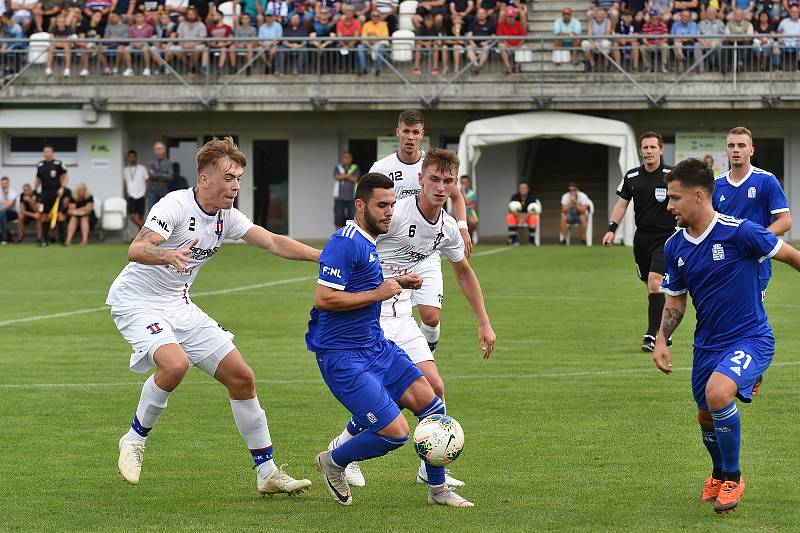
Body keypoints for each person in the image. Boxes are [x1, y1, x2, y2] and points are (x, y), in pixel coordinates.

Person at [108, 137, 317, 495]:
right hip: (137, 301)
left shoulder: (227, 218)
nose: (236, 185)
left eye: (239, 177)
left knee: (242, 378)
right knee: (174, 365)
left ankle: (266, 473)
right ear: (205, 179)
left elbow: (271, 241)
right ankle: (133, 439)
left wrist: (323, 257)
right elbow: (137, 248)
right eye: (229, 177)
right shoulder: (174, 205)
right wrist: (167, 255)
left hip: (179, 304)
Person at [308, 172, 489, 508]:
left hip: (375, 345)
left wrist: (400, 281)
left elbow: (363, 287)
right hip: (342, 355)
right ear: (360, 206)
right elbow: (324, 300)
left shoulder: (369, 242)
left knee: (431, 401)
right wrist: (380, 291)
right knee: (396, 433)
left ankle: (437, 491)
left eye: (392, 204)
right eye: (381, 205)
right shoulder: (346, 241)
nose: (389, 211)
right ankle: (334, 461)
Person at [653, 157, 800, 514]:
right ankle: (718, 472)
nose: (669, 205)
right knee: (705, 415)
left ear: (700, 196)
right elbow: (676, 301)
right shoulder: (675, 247)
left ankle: (733, 477)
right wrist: (661, 339)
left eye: (674, 198)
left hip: (752, 337)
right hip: (707, 344)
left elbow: (794, 257)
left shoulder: (741, 231)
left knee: (718, 394)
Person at [368, 110, 472, 365]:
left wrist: (462, 226)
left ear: (422, 134)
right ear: (398, 133)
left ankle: (426, 358)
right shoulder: (382, 168)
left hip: (427, 247)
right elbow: (367, 205)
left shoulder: (433, 166)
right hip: (392, 250)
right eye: (406, 131)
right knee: (385, 315)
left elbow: (457, 197)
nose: (411, 137)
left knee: (431, 317)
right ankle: (407, 364)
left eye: (416, 132)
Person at [602, 131, 675, 352]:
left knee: (655, 282)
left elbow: (685, 199)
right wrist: (611, 229)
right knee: (650, 286)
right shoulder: (632, 176)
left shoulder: (672, 175)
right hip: (641, 239)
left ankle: (652, 335)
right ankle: (665, 331)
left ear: (661, 150)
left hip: (666, 237)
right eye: (645, 147)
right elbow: (622, 204)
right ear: (640, 151)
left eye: (653, 147)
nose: (649, 151)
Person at [712, 126, 791, 299]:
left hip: (756, 260)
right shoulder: (716, 185)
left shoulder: (766, 180)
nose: (736, 150)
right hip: (725, 259)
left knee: (749, 315)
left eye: (741, 145)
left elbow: (785, 221)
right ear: (726, 150)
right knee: (724, 314)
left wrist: (755, 239)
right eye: (731, 146)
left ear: (751, 150)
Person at [33, 145, 69, 247]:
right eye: (45, 152)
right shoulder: (40, 165)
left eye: (49, 151)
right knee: (44, 216)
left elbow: (65, 176)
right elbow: (38, 179)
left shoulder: (58, 164)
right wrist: (35, 190)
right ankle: (45, 240)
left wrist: (62, 188)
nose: (47, 153)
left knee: (60, 215)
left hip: (56, 193)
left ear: (52, 152)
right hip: (44, 194)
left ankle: (62, 240)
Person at [506, 181, 540, 245]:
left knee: (533, 217)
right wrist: (519, 217)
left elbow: (534, 210)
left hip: (528, 217)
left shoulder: (532, 197)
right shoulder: (515, 197)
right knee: (510, 217)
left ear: (528, 189)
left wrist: (524, 217)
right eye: (521, 188)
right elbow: (511, 209)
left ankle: (531, 240)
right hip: (517, 217)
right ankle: (513, 239)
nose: (523, 190)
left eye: (524, 188)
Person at [333, 151, 360, 229]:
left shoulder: (355, 167)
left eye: (348, 158)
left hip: (352, 197)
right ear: (342, 159)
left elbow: (355, 179)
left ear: (351, 159)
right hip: (339, 197)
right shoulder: (338, 167)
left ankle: (350, 234)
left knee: (352, 216)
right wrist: (348, 176)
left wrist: (343, 176)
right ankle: (338, 234)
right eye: (344, 157)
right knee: (338, 216)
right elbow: (336, 177)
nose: (346, 159)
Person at [124, 149, 149, 229]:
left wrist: (145, 193)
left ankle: (141, 239)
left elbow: (147, 181)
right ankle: (147, 230)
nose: (131, 158)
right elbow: (125, 182)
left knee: (141, 217)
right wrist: (126, 193)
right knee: (132, 216)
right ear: (128, 158)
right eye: (130, 157)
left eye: (133, 156)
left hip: (141, 195)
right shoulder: (125, 170)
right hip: (131, 195)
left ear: (136, 157)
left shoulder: (142, 168)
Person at [148, 141, 173, 212]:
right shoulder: (151, 162)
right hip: (153, 188)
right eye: (157, 149)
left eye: (160, 148)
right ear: (154, 151)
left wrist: (156, 174)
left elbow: (170, 176)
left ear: (164, 150)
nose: (159, 151)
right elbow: (151, 175)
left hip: (164, 188)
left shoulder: (168, 162)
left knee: (164, 210)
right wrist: (163, 174)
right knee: (151, 210)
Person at [460, 175, 478, 241]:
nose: (464, 184)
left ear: (468, 183)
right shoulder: (457, 192)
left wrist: (463, 191)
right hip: (459, 213)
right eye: (462, 183)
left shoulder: (472, 193)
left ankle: (470, 238)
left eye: (465, 182)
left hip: (469, 212)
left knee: (473, 223)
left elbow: (467, 202)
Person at [0, 176, 18, 244]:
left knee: (3, 212)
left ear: (8, 184)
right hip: (2, 214)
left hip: (12, 213)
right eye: (2, 183)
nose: (4, 185)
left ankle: (4, 238)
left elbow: (8, 206)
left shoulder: (12, 192)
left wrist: (5, 194)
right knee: (2, 215)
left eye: (5, 183)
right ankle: (6, 237)